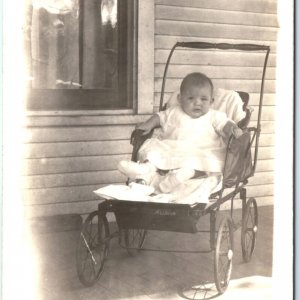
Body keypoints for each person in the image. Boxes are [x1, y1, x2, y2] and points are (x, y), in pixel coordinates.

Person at [118, 72, 243, 194]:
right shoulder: (173, 111)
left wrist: (233, 129)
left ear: (211, 101)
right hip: (172, 147)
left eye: (203, 99)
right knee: (153, 150)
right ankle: (145, 170)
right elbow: (159, 117)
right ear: (180, 99)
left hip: (200, 150)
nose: (197, 103)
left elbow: (225, 124)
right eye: (190, 98)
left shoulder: (214, 116)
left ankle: (180, 176)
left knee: (197, 162)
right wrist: (148, 124)